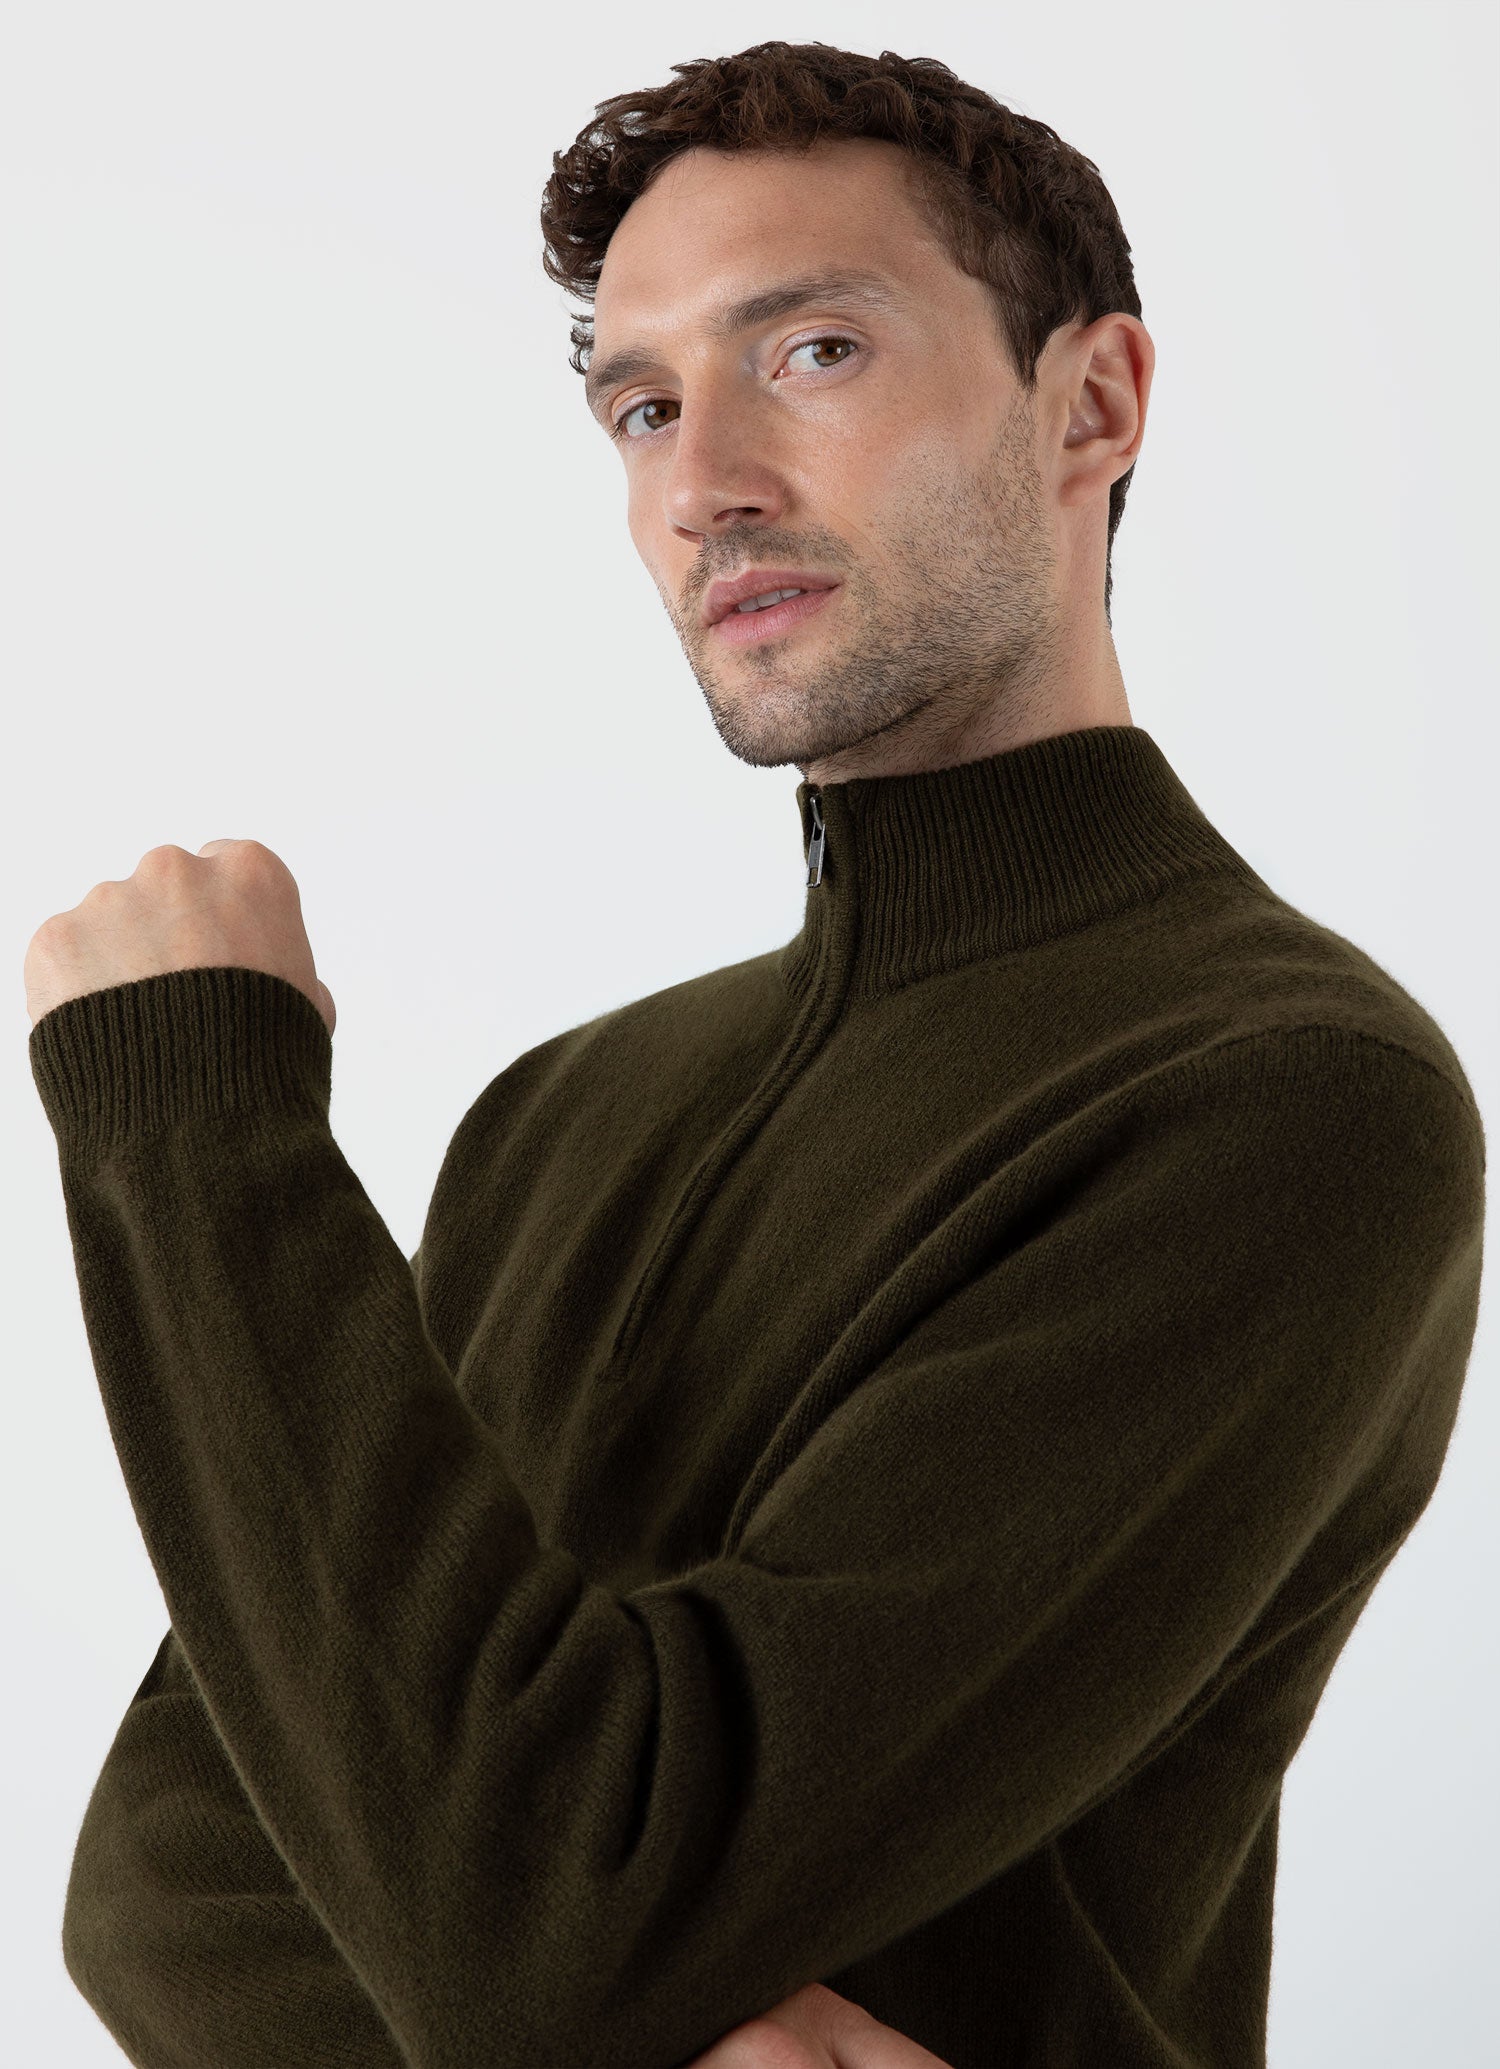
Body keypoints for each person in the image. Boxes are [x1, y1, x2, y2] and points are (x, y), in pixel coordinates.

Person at [34, 41, 1484, 2069]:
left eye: (811, 350)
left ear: (1092, 404)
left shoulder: (1285, 1100)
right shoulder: (559, 1119)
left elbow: (548, 1923)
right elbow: (164, 1878)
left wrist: (198, 1127)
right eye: (641, 404)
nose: (700, 480)